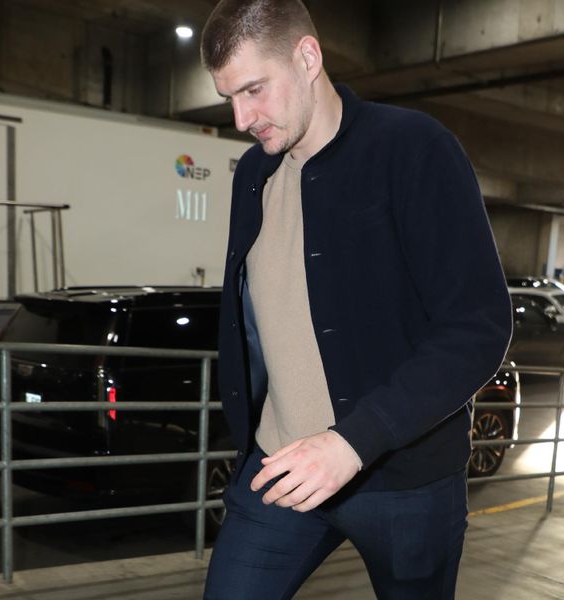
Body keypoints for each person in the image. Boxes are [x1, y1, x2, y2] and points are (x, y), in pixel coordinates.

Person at [200, 1, 512, 598]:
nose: (242, 117)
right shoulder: (253, 175)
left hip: (405, 484)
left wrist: (351, 442)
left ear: (307, 57)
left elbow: (478, 327)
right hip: (279, 471)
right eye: (230, 98)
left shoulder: (414, 149)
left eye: (254, 90)